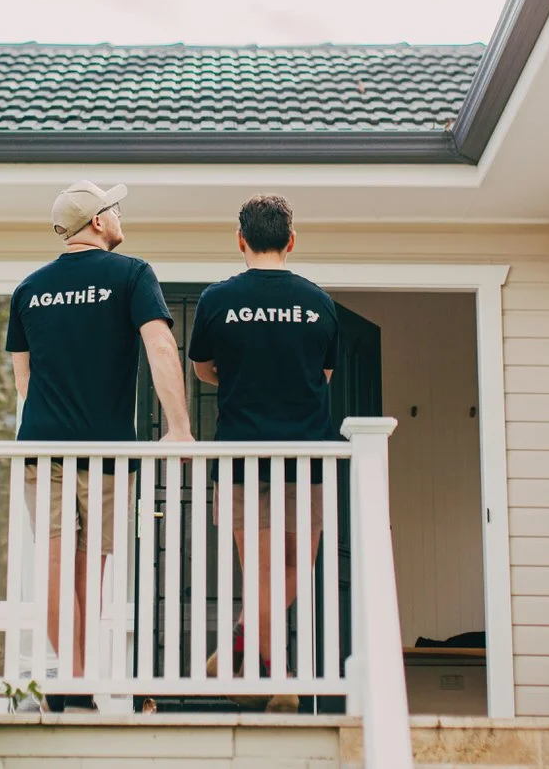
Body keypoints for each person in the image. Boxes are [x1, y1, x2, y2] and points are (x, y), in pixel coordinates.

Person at [7, 180, 193, 711]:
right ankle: (75, 681)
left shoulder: (29, 288)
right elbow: (159, 342)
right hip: (107, 453)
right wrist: (178, 427)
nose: (118, 215)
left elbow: (24, 381)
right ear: (96, 221)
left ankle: (74, 681)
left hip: (43, 449)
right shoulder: (132, 273)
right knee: (91, 570)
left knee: (56, 563)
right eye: (113, 208)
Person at [187, 194, 338, 714]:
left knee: (263, 570)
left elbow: (203, 368)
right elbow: (325, 375)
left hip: (242, 459)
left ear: (241, 240)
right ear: (291, 241)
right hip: (307, 457)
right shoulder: (318, 302)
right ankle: (279, 679)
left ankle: (245, 646)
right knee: (298, 566)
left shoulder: (216, 300)